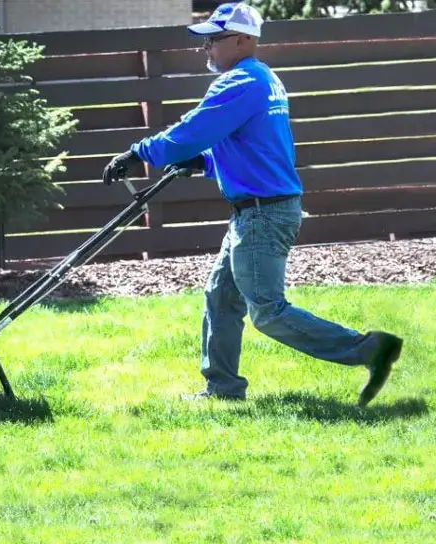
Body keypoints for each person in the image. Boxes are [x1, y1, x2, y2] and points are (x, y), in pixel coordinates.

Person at [101, 2, 403, 407]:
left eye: (214, 39)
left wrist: (139, 153)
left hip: (263, 212)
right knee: (221, 297)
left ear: (243, 39)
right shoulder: (264, 79)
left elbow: (193, 129)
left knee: (267, 311)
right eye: (205, 40)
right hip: (259, 208)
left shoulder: (240, 82)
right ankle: (222, 389)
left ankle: (368, 348)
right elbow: (255, 148)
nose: (206, 48)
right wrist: (205, 161)